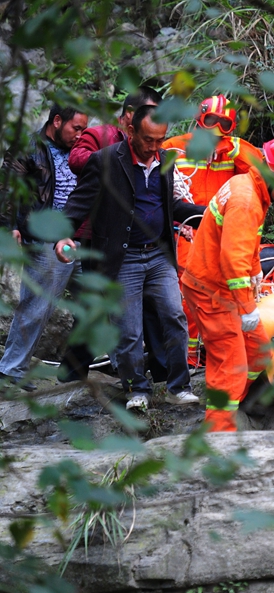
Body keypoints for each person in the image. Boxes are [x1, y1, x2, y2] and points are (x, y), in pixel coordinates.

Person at [55, 105, 205, 410]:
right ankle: (137, 389)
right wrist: (64, 234)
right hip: (125, 258)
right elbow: (79, 202)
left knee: (174, 316)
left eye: (160, 140)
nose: (154, 147)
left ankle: (179, 387)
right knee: (129, 328)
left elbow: (168, 206)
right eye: (148, 140)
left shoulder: (164, 160)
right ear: (132, 131)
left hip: (159, 256)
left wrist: (207, 213)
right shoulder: (106, 161)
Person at [181, 136, 274, 432]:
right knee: (230, 364)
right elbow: (233, 259)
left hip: (221, 287)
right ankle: (219, 434)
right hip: (211, 291)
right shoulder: (247, 200)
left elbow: (246, 245)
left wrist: (255, 272)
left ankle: (238, 406)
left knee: (257, 352)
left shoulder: (251, 187)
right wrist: (246, 307)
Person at [59, 86, 166, 384]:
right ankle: (72, 370)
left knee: (152, 305)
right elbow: (76, 158)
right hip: (100, 237)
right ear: (130, 117)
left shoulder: (153, 149)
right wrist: (115, 158)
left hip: (139, 241)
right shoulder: (101, 136)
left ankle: (159, 370)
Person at [162, 94, 263, 369]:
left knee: (219, 302)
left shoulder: (233, 152)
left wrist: (232, 148)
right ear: (199, 121)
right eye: (211, 123)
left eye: (224, 126)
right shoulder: (175, 148)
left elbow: (262, 172)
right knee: (186, 306)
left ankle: (206, 357)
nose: (215, 131)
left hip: (219, 239)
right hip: (183, 236)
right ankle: (188, 361)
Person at [0, 103, 88, 391]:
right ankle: (12, 368)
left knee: (96, 301)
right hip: (44, 237)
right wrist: (9, 226)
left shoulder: (81, 150)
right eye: (76, 128)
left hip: (79, 236)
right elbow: (8, 188)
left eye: (84, 129)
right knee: (38, 305)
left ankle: (76, 371)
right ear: (58, 121)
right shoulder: (29, 146)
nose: (80, 134)